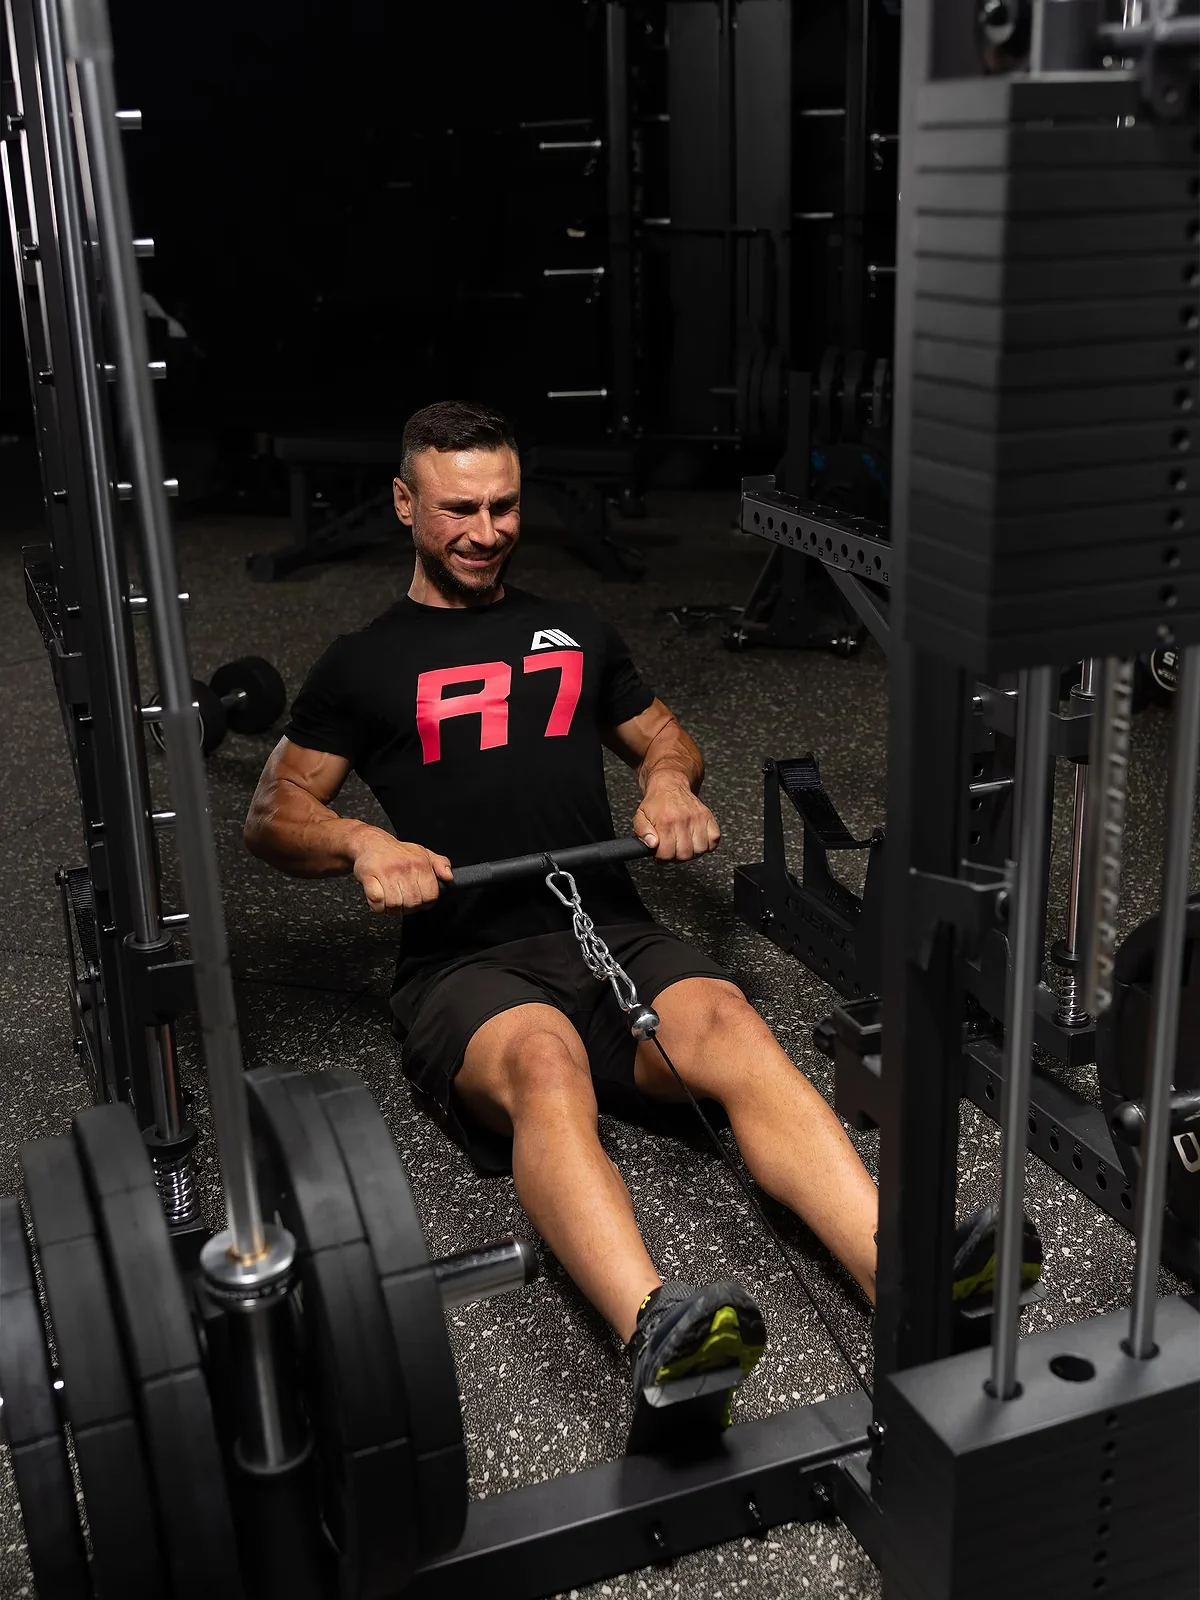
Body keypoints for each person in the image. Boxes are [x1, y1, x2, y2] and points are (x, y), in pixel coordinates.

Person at [244, 400, 1035, 1417]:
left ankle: (908, 1280)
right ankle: (658, 1330)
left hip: (608, 929)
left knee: (733, 1023)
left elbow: (666, 738)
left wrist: (666, 782)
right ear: (404, 503)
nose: (486, 531)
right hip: (466, 962)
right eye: (458, 510)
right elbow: (275, 813)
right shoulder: (366, 662)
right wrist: (362, 841)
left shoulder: (575, 630)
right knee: (546, 1063)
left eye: (503, 506)